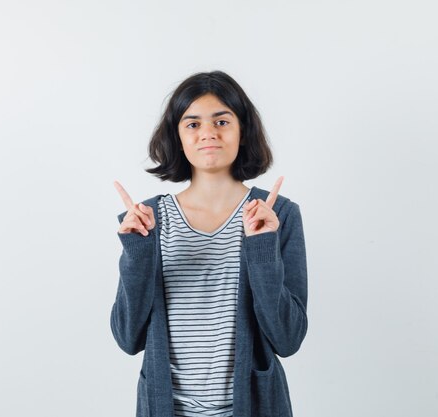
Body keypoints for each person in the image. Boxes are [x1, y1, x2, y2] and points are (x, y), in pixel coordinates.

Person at [111, 70, 308, 417]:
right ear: (178, 136)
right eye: (193, 124)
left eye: (221, 121)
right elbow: (128, 338)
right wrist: (137, 254)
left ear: (242, 130)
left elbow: (287, 338)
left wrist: (262, 248)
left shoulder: (276, 214)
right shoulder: (148, 218)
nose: (208, 134)